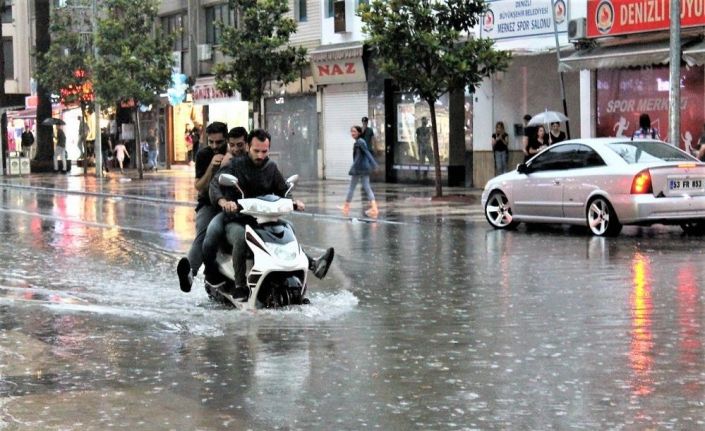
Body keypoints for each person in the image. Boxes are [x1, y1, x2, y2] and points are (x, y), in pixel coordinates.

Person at [203, 129, 334, 298]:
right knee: (240, 237)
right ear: (248, 147)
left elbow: (283, 190)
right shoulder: (235, 165)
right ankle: (240, 285)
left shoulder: (271, 167)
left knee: (288, 228)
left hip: (263, 218)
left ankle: (311, 265)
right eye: (256, 151)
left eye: (264, 151)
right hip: (237, 218)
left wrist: (293, 202)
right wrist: (224, 202)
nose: (260, 155)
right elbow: (215, 185)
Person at [176, 122, 230, 292]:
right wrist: (212, 168)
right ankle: (190, 273)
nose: (214, 146)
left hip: (233, 203)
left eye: (219, 142)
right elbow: (199, 186)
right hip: (209, 203)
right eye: (211, 142)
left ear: (226, 139)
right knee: (204, 233)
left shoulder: (234, 153)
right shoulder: (203, 155)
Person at [341, 125, 379, 217]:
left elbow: (364, 154)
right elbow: (364, 154)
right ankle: (374, 208)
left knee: (352, 188)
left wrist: (353, 167)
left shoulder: (360, 142)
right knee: (367, 187)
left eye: (354, 131)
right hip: (364, 168)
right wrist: (374, 164)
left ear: (359, 132)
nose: (352, 133)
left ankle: (346, 206)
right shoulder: (360, 142)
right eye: (351, 131)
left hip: (359, 168)